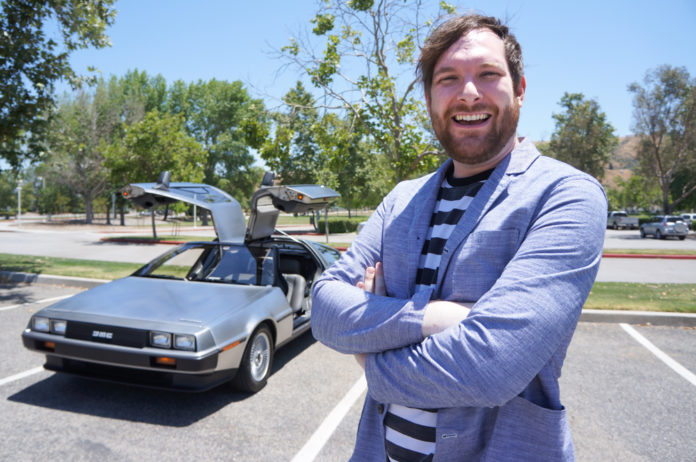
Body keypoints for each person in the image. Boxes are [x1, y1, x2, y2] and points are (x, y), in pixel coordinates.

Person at [311, 13, 607, 462]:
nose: (468, 92)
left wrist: (368, 355)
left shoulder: (565, 196)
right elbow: (326, 310)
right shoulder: (401, 200)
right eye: (448, 79)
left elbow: (493, 365)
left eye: (488, 74)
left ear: (520, 90)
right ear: (430, 99)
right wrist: (437, 318)